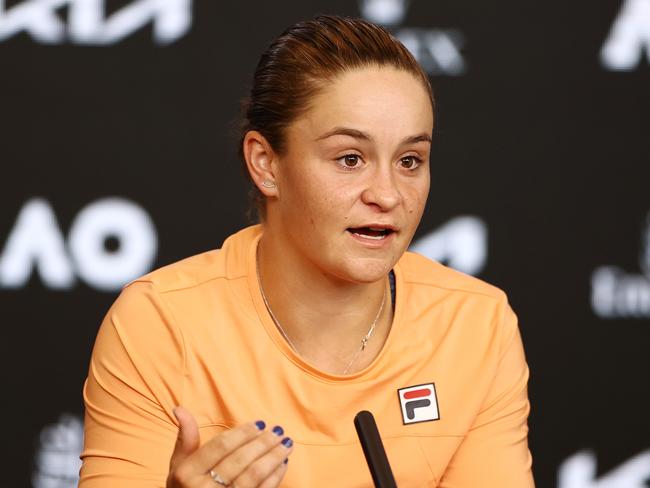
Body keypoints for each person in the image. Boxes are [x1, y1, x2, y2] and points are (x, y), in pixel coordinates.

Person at [79, 15, 534, 488]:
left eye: (409, 161)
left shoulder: (476, 325)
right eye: (350, 159)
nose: (388, 194)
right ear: (266, 163)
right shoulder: (160, 324)